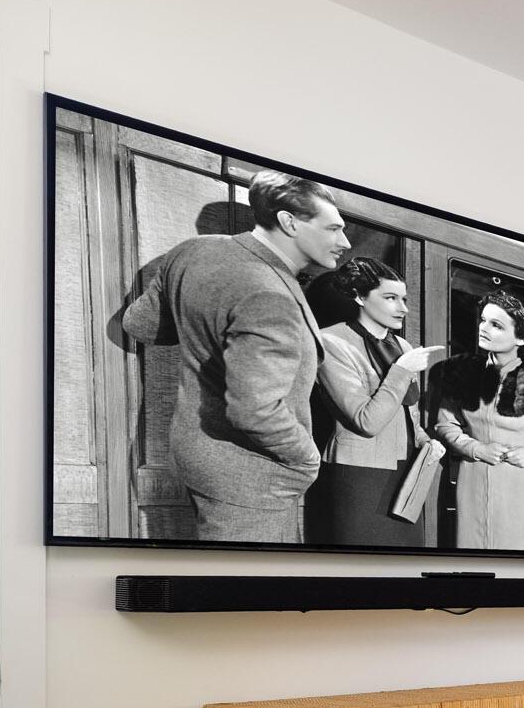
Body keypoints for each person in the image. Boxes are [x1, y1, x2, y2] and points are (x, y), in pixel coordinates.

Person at [118, 169, 352, 543]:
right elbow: (254, 410)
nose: (345, 242)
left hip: (196, 454)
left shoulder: (192, 251)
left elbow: (140, 325)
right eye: (332, 228)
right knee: (254, 591)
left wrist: (207, 327)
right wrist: (306, 457)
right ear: (289, 223)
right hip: (252, 474)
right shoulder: (270, 295)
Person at [306, 257, 444, 547]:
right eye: (391, 298)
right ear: (359, 296)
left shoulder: (402, 346)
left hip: (405, 472)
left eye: (404, 298)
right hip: (359, 477)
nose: (403, 308)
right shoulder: (331, 342)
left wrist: (425, 440)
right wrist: (403, 370)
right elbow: (366, 421)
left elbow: (409, 413)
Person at [429, 293, 524, 551]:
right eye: (484, 320)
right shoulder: (462, 374)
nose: (483, 328)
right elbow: (445, 424)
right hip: (471, 484)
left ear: (520, 338)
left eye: (496, 325)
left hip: (519, 489)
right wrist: (476, 448)